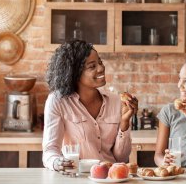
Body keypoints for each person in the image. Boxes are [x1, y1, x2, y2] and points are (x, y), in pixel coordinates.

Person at [42, 40, 138, 171]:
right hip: (77, 177)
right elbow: (50, 149)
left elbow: (120, 158)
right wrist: (57, 162)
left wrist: (125, 123)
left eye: (100, 62)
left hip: (109, 178)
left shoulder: (115, 101)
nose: (101, 68)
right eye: (92, 66)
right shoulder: (58, 101)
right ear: (74, 74)